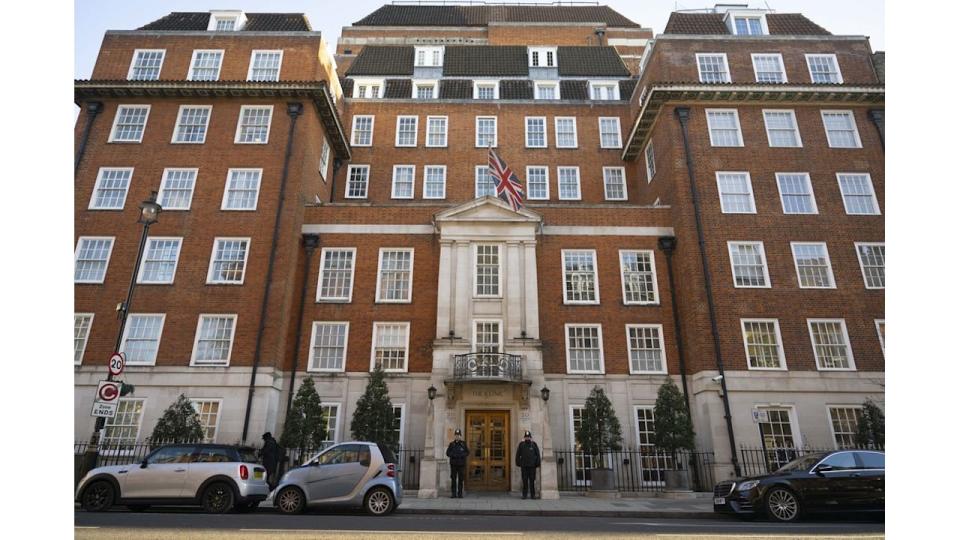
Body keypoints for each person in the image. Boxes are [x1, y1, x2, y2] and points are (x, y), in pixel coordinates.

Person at [515, 430, 541, 499]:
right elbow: (518, 454)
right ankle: (524, 495)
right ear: (524, 438)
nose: (527, 438)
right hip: (524, 466)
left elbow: (537, 454)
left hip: (532, 466)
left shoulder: (534, 444)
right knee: (525, 481)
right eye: (526, 437)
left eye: (528, 437)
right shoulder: (521, 445)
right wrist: (519, 463)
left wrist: (537, 464)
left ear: (530, 437)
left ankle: (533, 495)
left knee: (532, 481)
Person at [445, 428, 469, 498]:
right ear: (454, 436)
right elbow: (447, 453)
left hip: (461, 464)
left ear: (460, 436)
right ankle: (453, 493)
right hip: (453, 464)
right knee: (453, 479)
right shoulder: (451, 444)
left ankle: (460, 493)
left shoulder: (463, 444)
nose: (457, 436)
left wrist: (462, 455)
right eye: (456, 435)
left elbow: (467, 452)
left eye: (458, 435)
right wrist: (453, 455)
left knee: (461, 479)